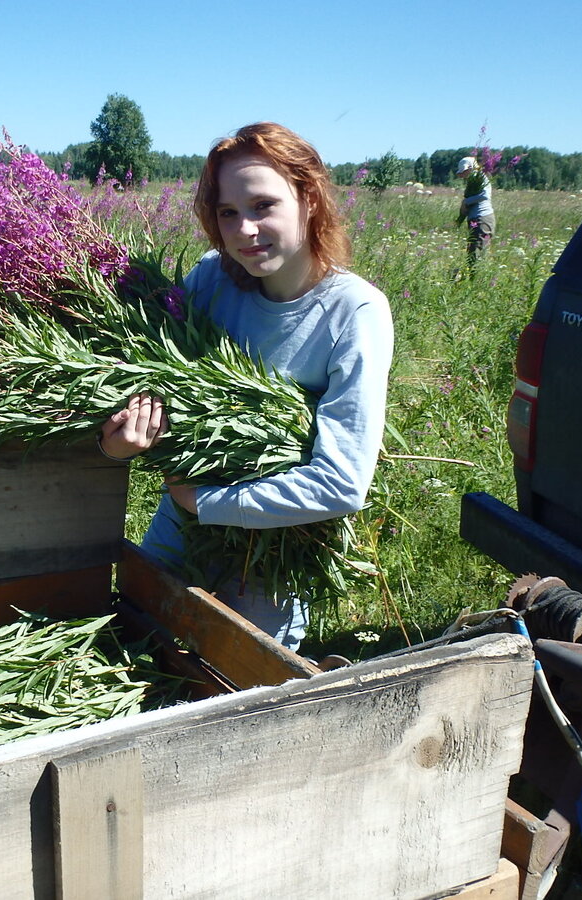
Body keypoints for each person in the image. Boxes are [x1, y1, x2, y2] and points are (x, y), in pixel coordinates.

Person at [98, 122, 394, 651]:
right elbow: (153, 383)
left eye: (263, 206)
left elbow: (341, 483)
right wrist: (118, 441)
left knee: (235, 688)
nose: (244, 231)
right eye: (228, 212)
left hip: (271, 549)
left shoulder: (354, 311)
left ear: (308, 199)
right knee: (135, 640)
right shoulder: (213, 280)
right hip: (181, 521)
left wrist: (204, 502)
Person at [455, 156, 495, 270]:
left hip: (482, 219)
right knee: (473, 252)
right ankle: (473, 278)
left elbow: (485, 195)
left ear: (471, 168)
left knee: (478, 254)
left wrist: (465, 202)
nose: (463, 175)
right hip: (476, 219)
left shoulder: (482, 179)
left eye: (465, 171)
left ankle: (477, 280)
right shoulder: (473, 182)